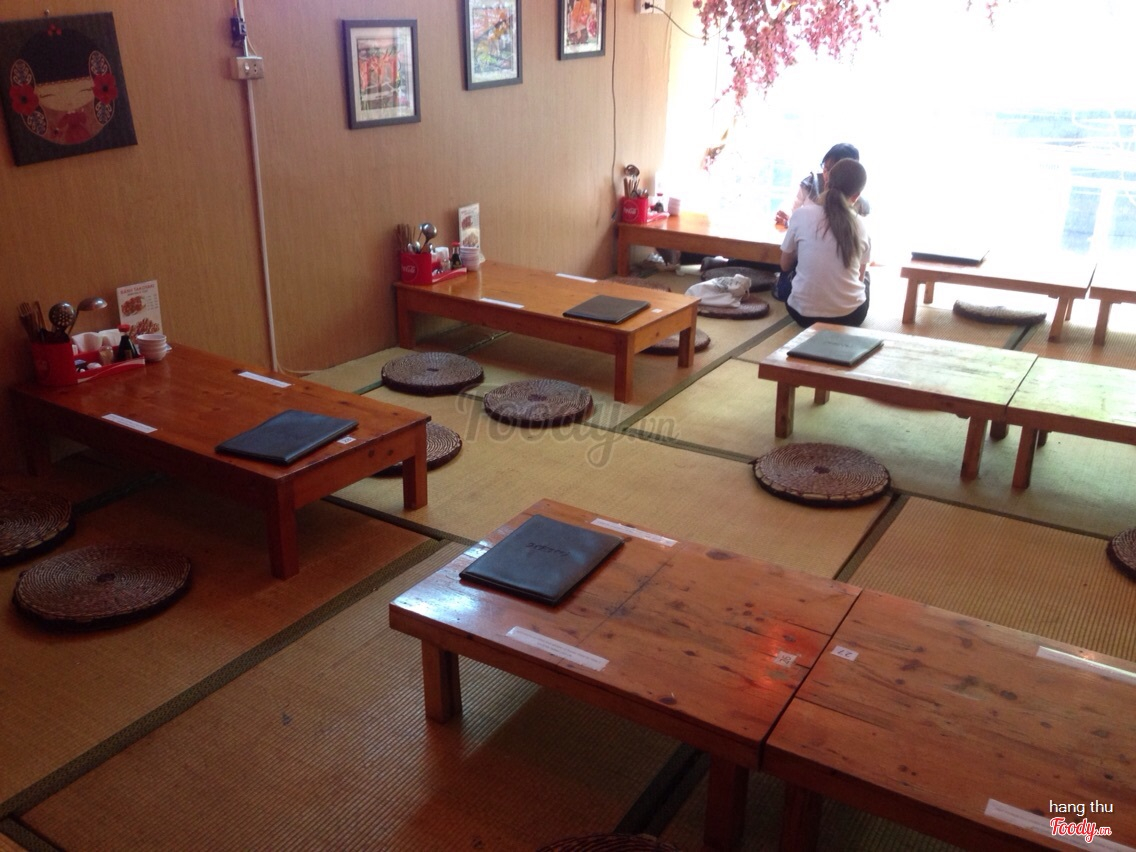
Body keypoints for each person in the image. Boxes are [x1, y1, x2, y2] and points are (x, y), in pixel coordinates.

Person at [779, 158, 871, 328]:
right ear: (856, 196)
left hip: (801, 315)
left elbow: (784, 265)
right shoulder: (861, 226)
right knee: (866, 278)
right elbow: (859, 277)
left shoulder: (801, 215)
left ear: (826, 181)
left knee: (794, 269)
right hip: (850, 317)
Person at [774, 143, 870, 229]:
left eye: (832, 170)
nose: (826, 174)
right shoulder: (811, 183)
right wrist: (786, 216)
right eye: (825, 168)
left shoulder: (856, 200)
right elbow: (792, 205)